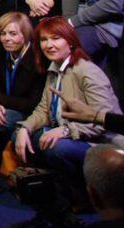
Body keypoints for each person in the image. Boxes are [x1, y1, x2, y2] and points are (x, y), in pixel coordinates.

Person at [14, 17, 122, 197]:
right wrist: (25, 128)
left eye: (55, 38)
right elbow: (43, 109)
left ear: (70, 42)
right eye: (43, 40)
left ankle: (83, 193)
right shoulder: (54, 67)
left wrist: (65, 131)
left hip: (100, 142)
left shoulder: (88, 71)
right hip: (72, 133)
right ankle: (56, 184)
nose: (49, 45)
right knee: (22, 135)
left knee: (57, 148)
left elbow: (103, 120)